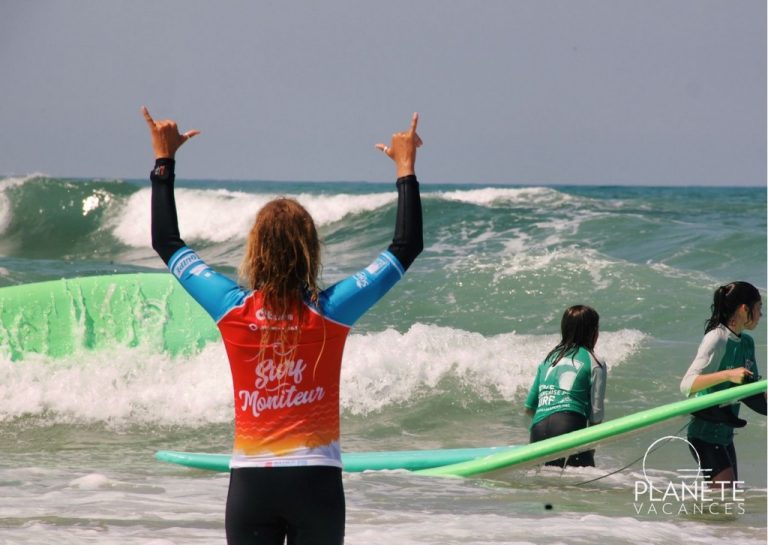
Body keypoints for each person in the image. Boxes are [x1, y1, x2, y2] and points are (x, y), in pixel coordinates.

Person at [142, 107, 423, 545]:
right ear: (311, 250)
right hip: (317, 482)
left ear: (254, 250)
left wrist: (164, 161)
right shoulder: (333, 311)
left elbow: (167, 243)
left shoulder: (231, 308)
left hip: (252, 486)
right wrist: (406, 168)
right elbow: (405, 247)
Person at [680, 281, 765, 486]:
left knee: (727, 500)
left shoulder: (746, 343)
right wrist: (728, 375)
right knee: (724, 498)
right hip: (704, 434)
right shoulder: (716, 338)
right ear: (745, 309)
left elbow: (755, 392)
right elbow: (687, 385)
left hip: (724, 436)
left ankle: (696, 519)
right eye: (759, 308)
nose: (761, 315)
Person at [524, 305, 607, 467]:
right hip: (568, 428)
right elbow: (596, 416)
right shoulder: (595, 361)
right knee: (585, 486)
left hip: (538, 432)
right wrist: (590, 450)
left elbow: (529, 407)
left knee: (546, 486)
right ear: (593, 332)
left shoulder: (549, 359)